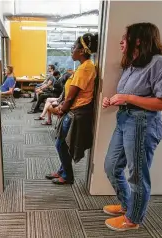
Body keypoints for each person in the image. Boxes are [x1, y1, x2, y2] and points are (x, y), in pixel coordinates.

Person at [102, 23, 162, 232]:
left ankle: (133, 219)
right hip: (125, 119)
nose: (120, 42)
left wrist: (126, 97)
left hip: (142, 123)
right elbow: (134, 96)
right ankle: (127, 205)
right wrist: (116, 100)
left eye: (125, 38)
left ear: (139, 39)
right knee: (111, 166)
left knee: (137, 175)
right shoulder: (132, 63)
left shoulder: (160, 63)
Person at [45, 32, 98, 185]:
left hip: (76, 111)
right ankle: (62, 171)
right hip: (75, 110)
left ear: (82, 51)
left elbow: (71, 96)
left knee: (61, 144)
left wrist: (61, 109)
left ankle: (68, 176)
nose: (71, 50)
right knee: (63, 143)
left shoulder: (85, 68)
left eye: (74, 47)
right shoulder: (85, 66)